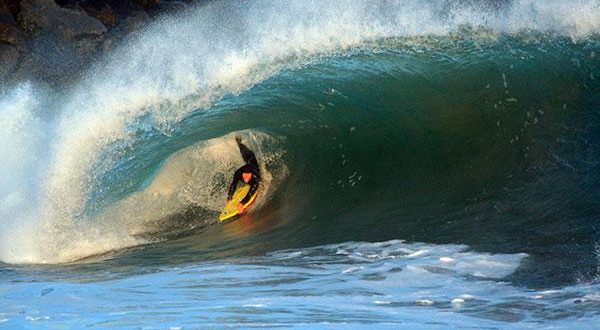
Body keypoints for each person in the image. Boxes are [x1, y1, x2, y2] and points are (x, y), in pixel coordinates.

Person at [227, 137, 261, 214]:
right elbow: (233, 184)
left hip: (253, 161)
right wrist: (229, 198)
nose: (246, 178)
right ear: (242, 173)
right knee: (242, 150)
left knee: (252, 157)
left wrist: (242, 203)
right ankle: (239, 142)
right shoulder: (238, 173)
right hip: (248, 159)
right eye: (245, 175)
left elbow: (252, 191)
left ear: (251, 174)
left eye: (248, 176)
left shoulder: (255, 177)